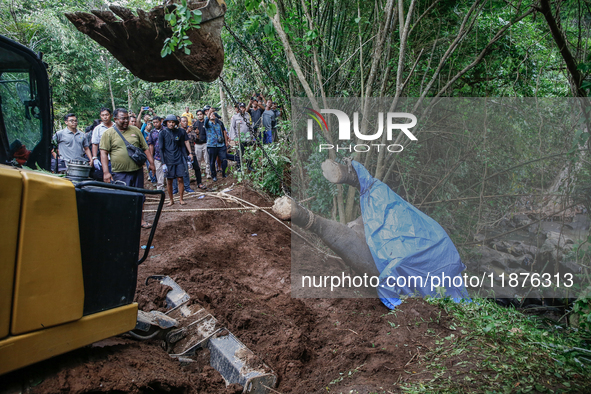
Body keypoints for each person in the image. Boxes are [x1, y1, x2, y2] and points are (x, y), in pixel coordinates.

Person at [99, 108, 155, 228]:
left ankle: (140, 220)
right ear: (115, 119)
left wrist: (152, 163)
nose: (125, 121)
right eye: (122, 118)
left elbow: (145, 148)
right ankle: (125, 220)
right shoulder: (108, 133)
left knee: (140, 196)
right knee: (123, 197)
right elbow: (103, 153)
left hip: (137, 170)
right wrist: (106, 172)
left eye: (127, 118)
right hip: (120, 173)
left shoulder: (135, 130)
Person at [158, 114, 194, 206]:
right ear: (166, 123)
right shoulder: (162, 133)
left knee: (180, 178)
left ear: (176, 123)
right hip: (168, 160)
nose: (171, 124)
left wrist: (187, 158)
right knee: (169, 180)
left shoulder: (180, 132)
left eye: (173, 122)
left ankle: (181, 199)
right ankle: (171, 200)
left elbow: (182, 146)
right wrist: (163, 163)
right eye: (169, 122)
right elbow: (161, 149)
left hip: (179, 159)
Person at [172, 116, 195, 194]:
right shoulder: (167, 132)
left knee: (185, 171)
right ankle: (175, 189)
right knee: (173, 172)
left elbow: (186, 141)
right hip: (172, 155)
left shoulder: (182, 131)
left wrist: (190, 153)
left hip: (182, 154)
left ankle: (187, 187)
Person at [204, 107, 227, 181]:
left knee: (224, 159)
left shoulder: (218, 124)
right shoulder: (207, 124)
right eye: (210, 114)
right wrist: (209, 111)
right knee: (212, 161)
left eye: (213, 114)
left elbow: (222, 132)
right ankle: (214, 175)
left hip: (220, 145)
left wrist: (224, 142)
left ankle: (224, 173)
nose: (212, 115)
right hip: (211, 145)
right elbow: (206, 121)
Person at [184, 117, 206, 190]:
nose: (184, 123)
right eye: (183, 121)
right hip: (183, 154)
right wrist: (187, 132)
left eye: (186, 121)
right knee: (184, 170)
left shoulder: (191, 131)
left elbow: (196, 139)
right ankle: (186, 186)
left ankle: (199, 183)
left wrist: (197, 133)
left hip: (192, 153)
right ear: (180, 122)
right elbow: (180, 140)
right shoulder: (179, 131)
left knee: (197, 168)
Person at [229, 103, 252, 171]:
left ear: (245, 108)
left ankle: (249, 166)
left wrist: (252, 137)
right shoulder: (235, 117)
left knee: (249, 153)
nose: (242, 109)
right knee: (239, 153)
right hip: (240, 139)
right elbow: (232, 128)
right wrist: (235, 138)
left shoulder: (248, 116)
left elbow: (251, 126)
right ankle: (239, 167)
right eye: (240, 108)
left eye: (243, 108)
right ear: (238, 109)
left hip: (248, 138)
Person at [146, 116, 165, 191]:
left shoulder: (165, 130)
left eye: (157, 122)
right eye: (154, 123)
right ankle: (160, 188)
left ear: (160, 122)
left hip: (167, 155)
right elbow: (151, 144)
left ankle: (173, 187)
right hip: (157, 156)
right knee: (158, 171)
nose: (155, 124)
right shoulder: (152, 132)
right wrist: (151, 156)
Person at [91, 107, 113, 171]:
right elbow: (95, 144)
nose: (105, 117)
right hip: (105, 158)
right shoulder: (98, 129)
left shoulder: (116, 127)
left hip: (117, 158)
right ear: (100, 116)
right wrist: (95, 158)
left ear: (111, 116)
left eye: (107, 115)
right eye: (103, 115)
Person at [192, 109, 211, 179]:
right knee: (198, 160)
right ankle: (198, 173)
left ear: (203, 115)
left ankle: (208, 173)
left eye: (200, 114)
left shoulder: (207, 122)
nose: (199, 116)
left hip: (205, 143)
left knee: (207, 159)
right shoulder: (195, 124)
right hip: (197, 144)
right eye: (198, 115)